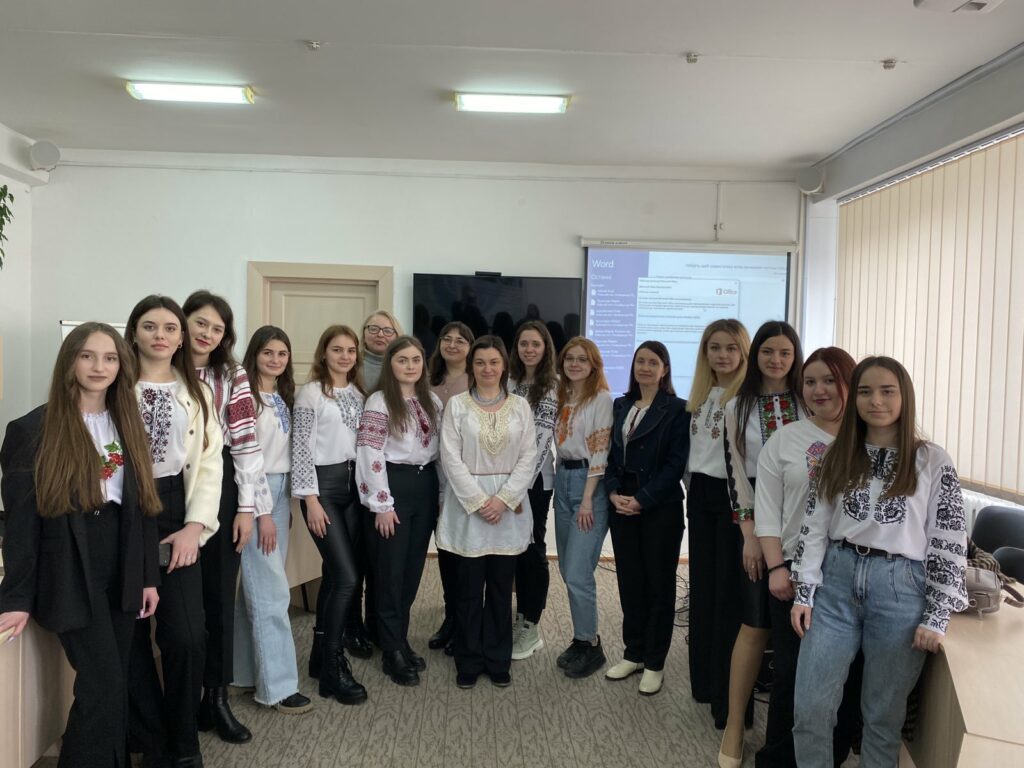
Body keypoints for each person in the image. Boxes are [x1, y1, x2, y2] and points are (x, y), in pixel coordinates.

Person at [790, 357, 968, 767]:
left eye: (887, 391)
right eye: (865, 391)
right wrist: (804, 591)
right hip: (835, 582)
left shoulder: (931, 460)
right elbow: (814, 525)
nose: (876, 401)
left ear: (905, 396)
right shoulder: (836, 455)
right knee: (811, 709)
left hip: (901, 589)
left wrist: (937, 613)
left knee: (882, 719)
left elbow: (948, 536)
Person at [0, 323, 161, 768]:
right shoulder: (32, 430)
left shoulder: (128, 422)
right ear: (69, 360)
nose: (98, 367)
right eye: (87, 356)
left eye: (109, 358)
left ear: (121, 366)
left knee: (116, 681)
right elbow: (20, 523)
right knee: (103, 683)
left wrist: (147, 576)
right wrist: (15, 597)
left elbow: (143, 507)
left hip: (121, 561)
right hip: (69, 565)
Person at [126, 295, 223, 768]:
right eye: (150, 326)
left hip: (177, 512)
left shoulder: (197, 392)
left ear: (181, 338)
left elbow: (210, 462)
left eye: (169, 328)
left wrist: (194, 526)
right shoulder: (116, 386)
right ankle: (152, 741)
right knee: (129, 636)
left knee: (186, 637)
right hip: (125, 514)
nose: (160, 335)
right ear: (134, 332)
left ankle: (184, 743)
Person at [752, 347, 860, 768]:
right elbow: (767, 511)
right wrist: (777, 568)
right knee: (793, 674)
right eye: (811, 382)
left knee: (845, 676)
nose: (819, 390)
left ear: (849, 383)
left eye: (830, 380)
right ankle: (778, 759)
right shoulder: (785, 440)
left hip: (853, 576)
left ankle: (830, 756)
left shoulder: (870, 439)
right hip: (794, 574)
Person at [183, 290, 269, 744]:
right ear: (183, 321)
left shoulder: (232, 375)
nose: (207, 334)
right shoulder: (161, 367)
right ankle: (181, 697)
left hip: (221, 485)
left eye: (217, 329)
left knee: (218, 598)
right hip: (168, 490)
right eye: (200, 323)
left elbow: (247, 440)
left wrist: (246, 508)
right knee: (180, 604)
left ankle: (215, 698)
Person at [719, 320, 806, 765]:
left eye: (785, 353)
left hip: (807, 521)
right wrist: (750, 536)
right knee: (754, 626)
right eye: (768, 351)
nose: (776, 360)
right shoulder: (737, 406)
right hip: (759, 523)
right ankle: (735, 725)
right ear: (756, 356)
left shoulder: (810, 400)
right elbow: (736, 475)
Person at [437, 336, 537, 688]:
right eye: (480, 362)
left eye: (494, 362)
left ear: (504, 365)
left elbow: (529, 456)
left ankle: (497, 658)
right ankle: (468, 659)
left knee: (499, 588)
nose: (487, 368)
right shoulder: (457, 406)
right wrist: (480, 501)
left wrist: (503, 499)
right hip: (468, 509)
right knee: (467, 590)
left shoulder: (520, 406)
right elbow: (450, 457)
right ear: (471, 366)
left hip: (508, 509)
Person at [233, 326, 312, 715]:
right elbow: (247, 459)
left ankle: (243, 673)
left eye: (282, 353)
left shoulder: (282, 395)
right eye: (268, 352)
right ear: (255, 354)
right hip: (256, 494)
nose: (275, 360)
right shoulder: (244, 397)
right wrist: (262, 513)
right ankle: (278, 688)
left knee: (257, 586)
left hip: (281, 493)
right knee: (272, 592)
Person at [604, 341, 690, 696]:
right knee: (630, 582)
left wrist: (642, 499)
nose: (645, 367)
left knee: (659, 586)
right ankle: (633, 653)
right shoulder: (621, 405)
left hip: (659, 506)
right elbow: (611, 454)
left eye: (653, 362)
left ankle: (654, 662)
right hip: (621, 503)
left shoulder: (678, 409)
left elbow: (675, 464)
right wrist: (612, 492)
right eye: (640, 361)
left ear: (664, 369)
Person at [356, 335, 442, 687]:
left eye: (416, 360)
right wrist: (381, 504)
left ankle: (398, 637)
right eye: (402, 360)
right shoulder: (379, 401)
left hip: (424, 486)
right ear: (390, 364)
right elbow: (370, 452)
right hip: (392, 487)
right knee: (390, 572)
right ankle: (391, 650)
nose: (410, 366)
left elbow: (439, 452)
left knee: (411, 570)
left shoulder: (432, 401)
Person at [292, 325, 370, 704]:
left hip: (354, 490)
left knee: (334, 576)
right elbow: (301, 447)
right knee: (347, 579)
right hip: (324, 490)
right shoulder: (311, 393)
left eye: (350, 350)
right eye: (337, 349)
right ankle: (333, 667)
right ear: (324, 353)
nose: (344, 356)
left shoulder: (358, 394)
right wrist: (310, 499)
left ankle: (318, 658)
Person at [685, 319, 750, 727]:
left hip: (733, 500)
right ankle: (704, 683)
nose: (722, 355)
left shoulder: (745, 400)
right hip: (701, 495)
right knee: (703, 589)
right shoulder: (700, 396)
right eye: (714, 347)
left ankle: (728, 698)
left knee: (728, 595)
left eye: (730, 348)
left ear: (743, 353)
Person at [552, 336, 614, 679]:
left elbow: (600, 452)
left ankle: (590, 644)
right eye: (569, 358)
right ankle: (580, 639)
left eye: (582, 359)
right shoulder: (563, 396)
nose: (575, 364)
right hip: (563, 479)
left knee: (578, 571)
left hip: (589, 485)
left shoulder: (600, 399)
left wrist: (588, 498)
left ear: (594, 365)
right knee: (567, 568)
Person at [347, 308, 403, 652]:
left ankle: (376, 624)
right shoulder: (351, 366)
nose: (380, 335)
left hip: (385, 475)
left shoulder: (402, 368)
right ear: (363, 332)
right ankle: (352, 626)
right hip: (349, 473)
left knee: (381, 558)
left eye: (388, 330)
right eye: (374, 329)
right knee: (354, 556)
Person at [508, 320, 559, 660]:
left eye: (535, 344)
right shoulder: (508, 382)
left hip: (535, 482)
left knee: (532, 549)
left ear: (545, 348)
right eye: (524, 343)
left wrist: (519, 485)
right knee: (510, 550)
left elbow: (541, 441)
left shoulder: (553, 385)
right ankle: (517, 615)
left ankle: (531, 625)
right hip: (505, 480)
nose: (529, 349)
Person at [426, 321, 475, 654]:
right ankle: (450, 616)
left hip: (465, 477)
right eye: (447, 338)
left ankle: (464, 620)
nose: (452, 344)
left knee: (464, 552)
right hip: (432, 475)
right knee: (444, 548)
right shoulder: (427, 379)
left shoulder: (476, 381)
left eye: (460, 340)